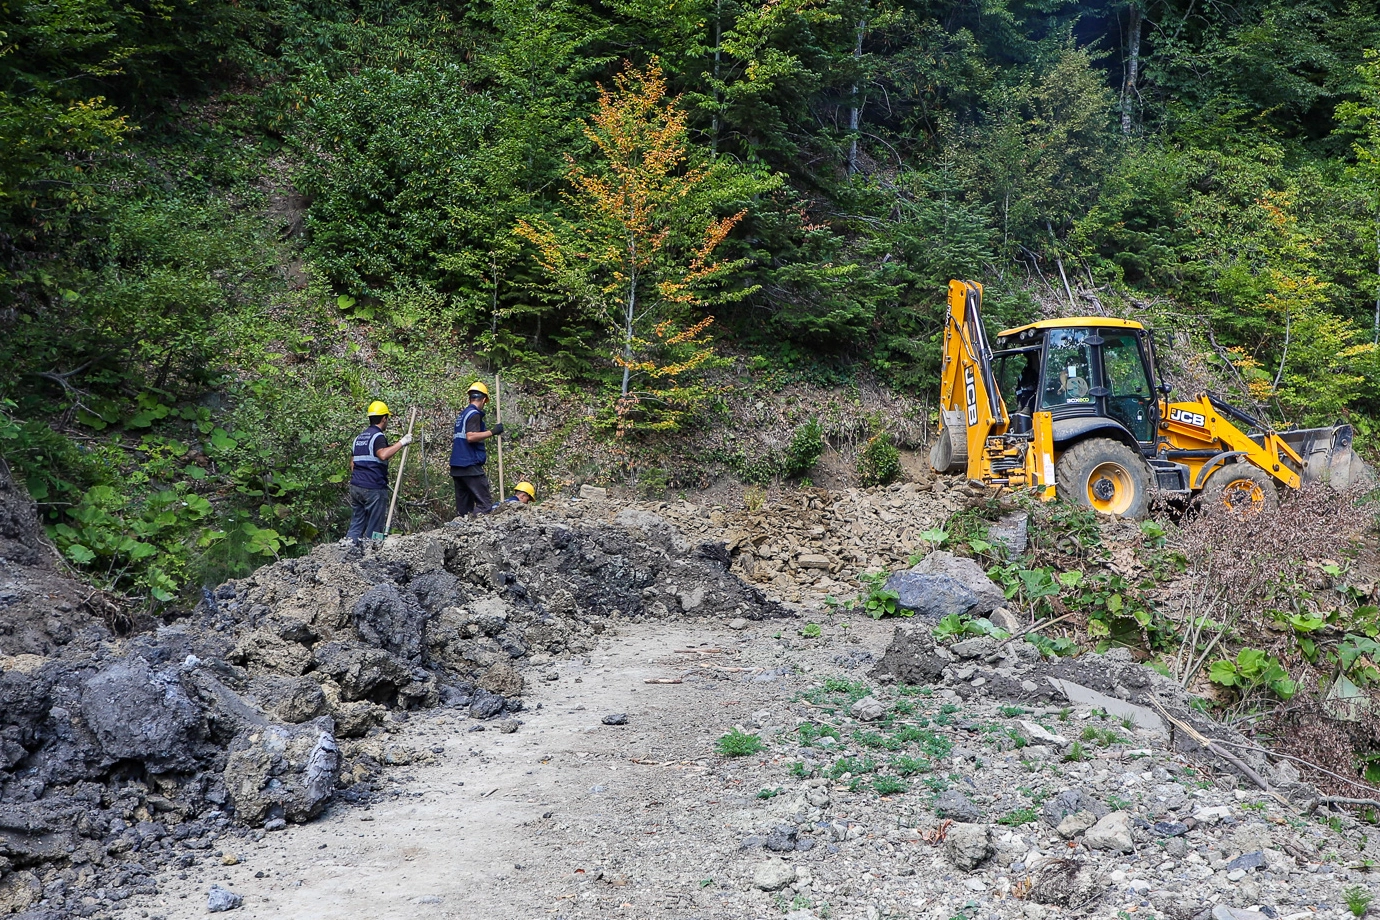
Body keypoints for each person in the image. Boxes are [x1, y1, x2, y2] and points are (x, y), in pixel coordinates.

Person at [346, 400, 411, 541]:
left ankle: (348, 549)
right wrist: (402, 442)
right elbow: (382, 454)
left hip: (356, 486)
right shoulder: (378, 437)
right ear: (384, 418)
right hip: (373, 487)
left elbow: (352, 463)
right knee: (375, 525)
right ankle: (372, 552)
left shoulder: (359, 438)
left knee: (357, 523)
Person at [450, 382, 504, 516]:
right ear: (484, 399)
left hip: (457, 466)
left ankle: (462, 532)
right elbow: (471, 436)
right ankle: (478, 531)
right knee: (484, 505)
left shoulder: (463, 415)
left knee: (464, 509)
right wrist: (493, 432)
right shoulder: (474, 414)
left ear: (470, 398)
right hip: (469, 464)